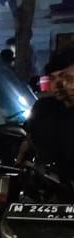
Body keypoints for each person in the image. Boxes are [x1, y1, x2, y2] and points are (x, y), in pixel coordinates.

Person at [22, 49, 74, 181]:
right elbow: (27, 141)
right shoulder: (42, 107)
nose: (59, 85)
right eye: (52, 78)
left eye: (66, 78)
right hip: (47, 184)